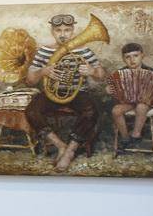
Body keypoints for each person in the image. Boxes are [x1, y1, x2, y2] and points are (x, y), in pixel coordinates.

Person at [24, 14, 106, 171]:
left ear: (73, 30)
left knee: (91, 112)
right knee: (32, 111)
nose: (63, 34)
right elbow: (30, 80)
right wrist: (43, 71)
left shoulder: (84, 51)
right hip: (51, 93)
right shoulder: (44, 51)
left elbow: (101, 76)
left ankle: (70, 151)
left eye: (67, 30)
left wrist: (92, 71)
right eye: (58, 30)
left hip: (78, 93)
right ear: (52, 31)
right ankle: (60, 145)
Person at [106, 42, 153, 148]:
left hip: (147, 103)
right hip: (128, 102)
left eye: (135, 56)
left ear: (142, 55)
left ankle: (136, 134)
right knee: (116, 110)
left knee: (141, 106)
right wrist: (110, 89)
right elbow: (112, 87)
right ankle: (125, 138)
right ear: (123, 59)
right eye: (128, 57)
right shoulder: (119, 74)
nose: (132, 60)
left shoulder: (152, 72)